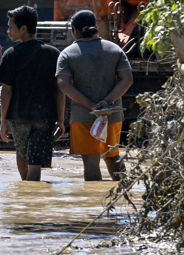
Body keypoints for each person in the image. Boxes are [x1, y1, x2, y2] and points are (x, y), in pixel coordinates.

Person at [56, 10, 133, 181]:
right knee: (112, 156)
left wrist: (91, 106)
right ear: (95, 28)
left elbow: (63, 84)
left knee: (91, 161)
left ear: (74, 30)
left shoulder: (68, 54)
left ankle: (93, 204)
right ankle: (125, 194)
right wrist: (106, 102)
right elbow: (127, 79)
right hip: (111, 114)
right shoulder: (115, 50)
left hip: (84, 116)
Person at [0, 6, 64, 181]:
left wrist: (3, 121)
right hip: (45, 117)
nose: (8, 31)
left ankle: (27, 194)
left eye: (11, 27)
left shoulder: (11, 55)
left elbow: (6, 91)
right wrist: (61, 120)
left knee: (22, 154)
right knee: (36, 161)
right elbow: (59, 90)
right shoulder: (52, 54)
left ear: (23, 29)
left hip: (18, 117)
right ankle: (33, 196)